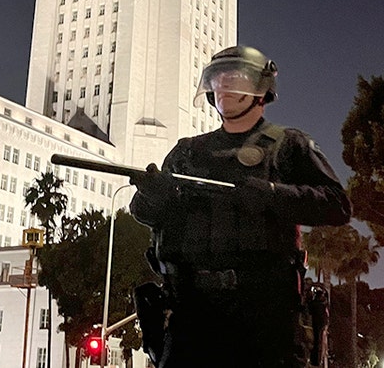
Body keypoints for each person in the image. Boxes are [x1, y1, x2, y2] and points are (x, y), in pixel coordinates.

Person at [129, 46, 352, 368]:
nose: (224, 87)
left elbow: (338, 205)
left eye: (234, 78)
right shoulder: (188, 152)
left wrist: (272, 195)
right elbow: (145, 214)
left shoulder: (289, 145)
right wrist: (154, 194)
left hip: (266, 317)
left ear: (260, 88)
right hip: (192, 316)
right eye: (218, 80)